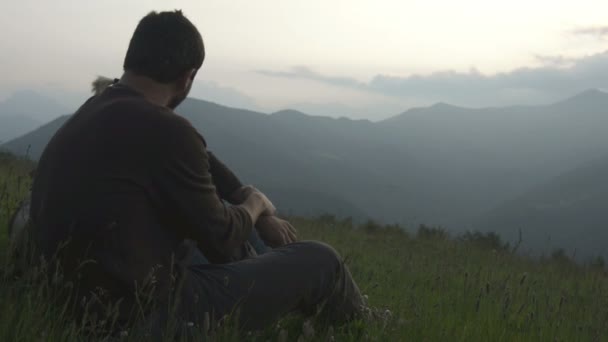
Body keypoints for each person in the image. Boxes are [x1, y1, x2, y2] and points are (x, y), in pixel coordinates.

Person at [28, 10, 365, 334]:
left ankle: (279, 286)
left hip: (75, 298)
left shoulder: (98, 107)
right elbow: (222, 241)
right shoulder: (165, 130)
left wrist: (246, 201)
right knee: (322, 260)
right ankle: (365, 325)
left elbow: (201, 159)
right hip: (141, 316)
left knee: (240, 231)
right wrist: (257, 204)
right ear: (187, 77)